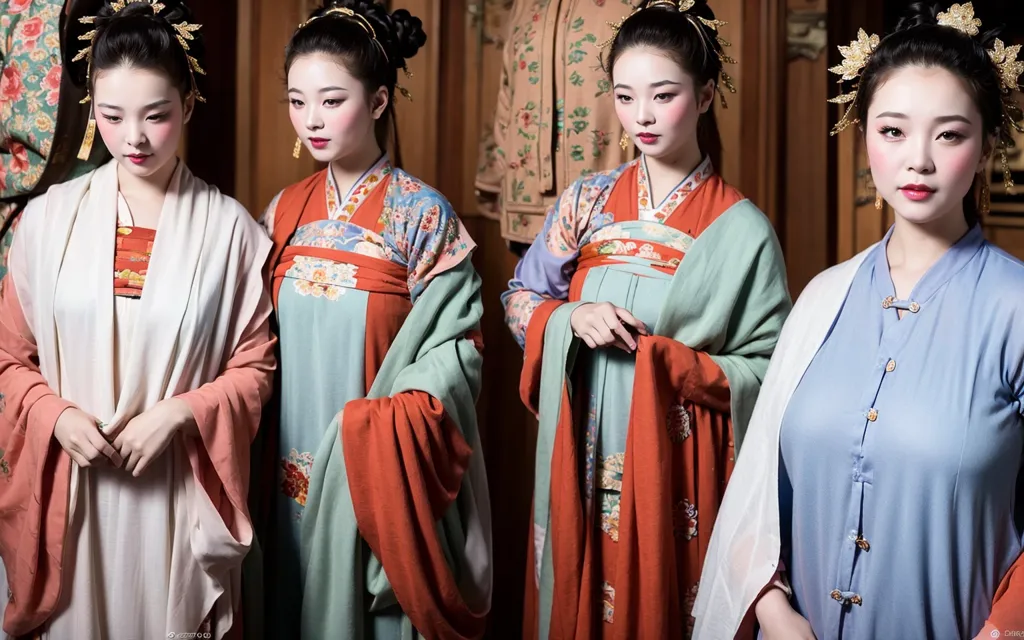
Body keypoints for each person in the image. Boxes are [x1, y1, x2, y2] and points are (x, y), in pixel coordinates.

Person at [694, 3, 1024, 639]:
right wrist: (773, 611)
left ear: (985, 146)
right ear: (863, 134)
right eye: (893, 131)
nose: (918, 160)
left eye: (950, 134)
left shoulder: (1015, 308)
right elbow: (756, 498)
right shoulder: (822, 299)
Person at [501, 0, 791, 636]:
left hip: (675, 464)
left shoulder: (742, 229)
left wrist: (672, 362)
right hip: (581, 447)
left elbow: (771, 371)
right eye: (625, 96)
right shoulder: (586, 201)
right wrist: (570, 316)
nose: (643, 116)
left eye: (664, 95)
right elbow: (519, 300)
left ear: (707, 93)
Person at [0, 1, 274, 638]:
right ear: (91, 109)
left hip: (175, 489)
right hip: (73, 491)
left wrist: (181, 414)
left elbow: (255, 368)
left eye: (157, 115)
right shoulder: (47, 220)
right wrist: (55, 415)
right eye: (112, 115)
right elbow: (9, 359)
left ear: (189, 103)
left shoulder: (230, 230)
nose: (135, 138)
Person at [256, 1, 492, 637]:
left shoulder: (423, 216)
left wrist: (375, 432)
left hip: (372, 463)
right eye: (297, 101)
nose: (312, 120)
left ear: (380, 101)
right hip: (285, 458)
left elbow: (458, 355)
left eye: (332, 101)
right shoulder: (282, 212)